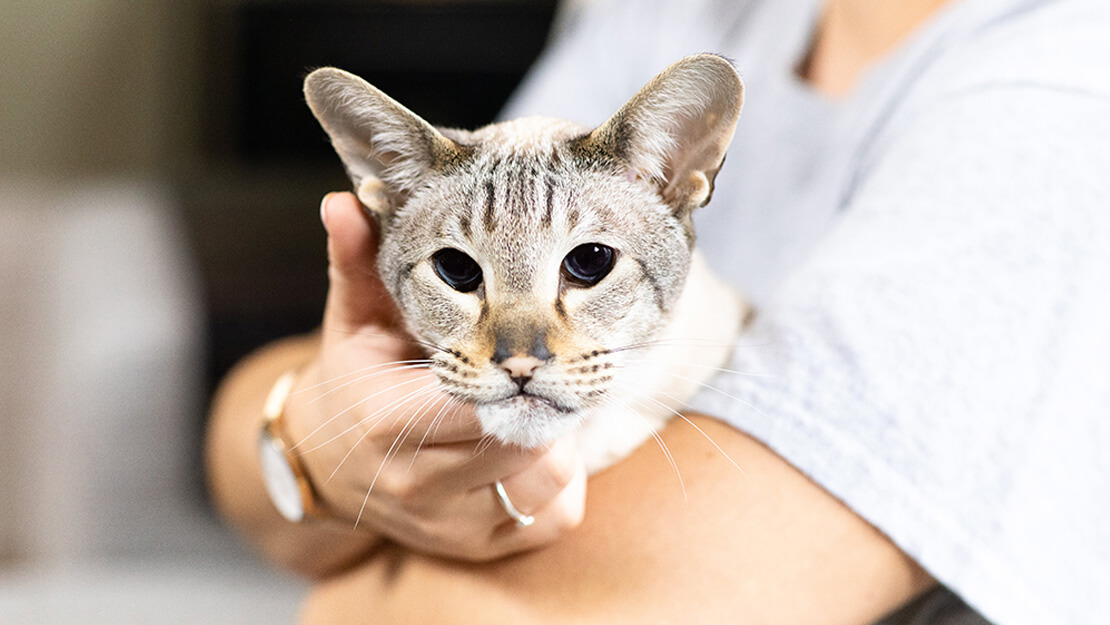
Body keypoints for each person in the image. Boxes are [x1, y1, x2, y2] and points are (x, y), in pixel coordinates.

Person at [205, 0, 1110, 622]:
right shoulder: (672, 14)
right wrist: (314, 438)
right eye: (459, 271)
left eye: (589, 263)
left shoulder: (1065, 89)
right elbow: (237, 445)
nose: (520, 350)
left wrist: (338, 553)